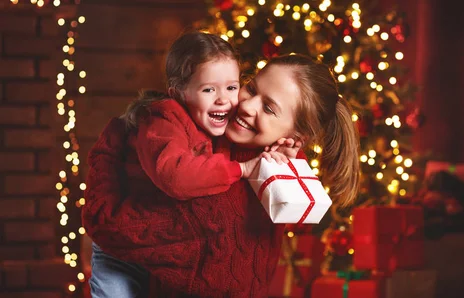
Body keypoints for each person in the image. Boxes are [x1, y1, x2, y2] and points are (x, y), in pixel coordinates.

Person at [82, 53, 360, 297]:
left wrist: (111, 156)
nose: (247, 106)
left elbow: (113, 226)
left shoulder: (266, 180)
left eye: (269, 108)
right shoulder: (204, 125)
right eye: (251, 89)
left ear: (296, 136)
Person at [87, 31, 293, 298]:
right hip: (119, 253)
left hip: (156, 254)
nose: (223, 99)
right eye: (209, 89)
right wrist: (241, 170)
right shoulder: (162, 122)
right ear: (179, 93)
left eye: (231, 87)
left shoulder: (217, 121)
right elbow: (176, 177)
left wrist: (282, 152)